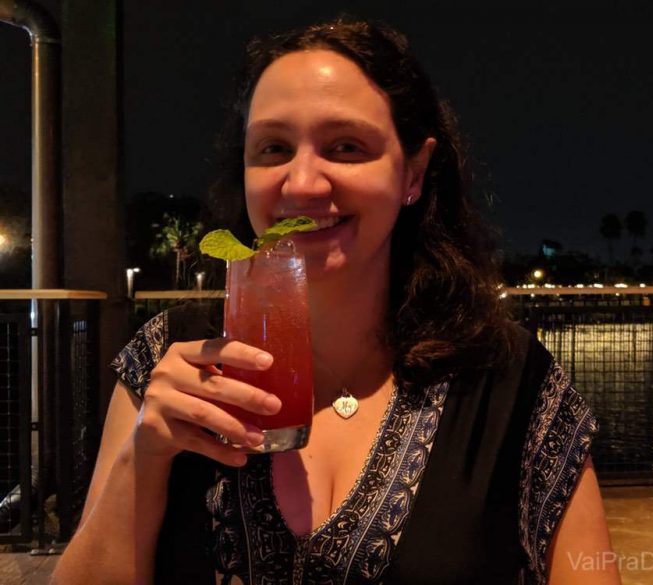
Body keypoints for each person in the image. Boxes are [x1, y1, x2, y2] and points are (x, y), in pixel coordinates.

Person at [53, 18, 621, 585]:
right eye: (273, 148)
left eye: (346, 147)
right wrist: (144, 458)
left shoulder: (508, 379)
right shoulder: (171, 355)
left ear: (414, 174)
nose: (302, 184)